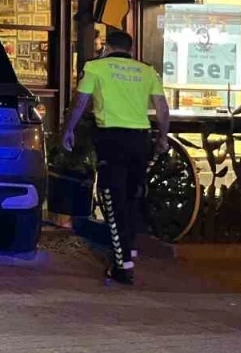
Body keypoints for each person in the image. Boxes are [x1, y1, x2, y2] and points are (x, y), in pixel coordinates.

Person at [63, 28, 170, 285]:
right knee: (132, 196)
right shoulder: (147, 71)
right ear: (130, 49)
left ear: (108, 47)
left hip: (112, 138)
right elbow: (162, 108)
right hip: (140, 138)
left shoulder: (95, 67)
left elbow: (81, 102)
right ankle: (128, 248)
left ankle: (123, 265)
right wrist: (163, 138)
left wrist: (69, 129)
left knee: (112, 198)